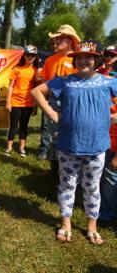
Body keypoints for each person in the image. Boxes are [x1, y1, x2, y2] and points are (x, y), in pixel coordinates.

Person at [31, 40, 115, 245]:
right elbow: (36, 92)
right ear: (75, 60)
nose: (84, 60)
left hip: (96, 147)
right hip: (69, 145)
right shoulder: (65, 81)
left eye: (88, 57)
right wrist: (51, 113)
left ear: (96, 60)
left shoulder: (108, 81)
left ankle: (91, 226)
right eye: (79, 57)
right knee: (67, 184)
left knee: (92, 187)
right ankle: (66, 223)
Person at [38, 24, 80, 164]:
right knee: (52, 136)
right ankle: (54, 170)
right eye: (56, 39)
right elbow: (44, 83)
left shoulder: (78, 60)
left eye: (60, 38)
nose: (56, 42)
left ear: (71, 41)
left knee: (70, 135)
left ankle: (69, 169)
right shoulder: (50, 60)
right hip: (52, 102)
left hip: (71, 103)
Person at [4, 45, 39, 157]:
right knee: (13, 125)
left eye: (33, 55)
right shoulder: (16, 69)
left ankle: (22, 148)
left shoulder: (36, 71)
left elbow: (36, 89)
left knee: (24, 126)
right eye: (28, 54)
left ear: (36, 57)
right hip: (15, 102)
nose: (30, 57)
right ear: (24, 55)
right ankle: (9, 148)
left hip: (28, 103)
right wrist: (8, 102)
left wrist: (35, 105)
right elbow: (10, 87)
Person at [99, 97, 117, 222]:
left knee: (110, 181)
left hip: (113, 149)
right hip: (106, 145)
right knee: (105, 180)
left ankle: (108, 214)